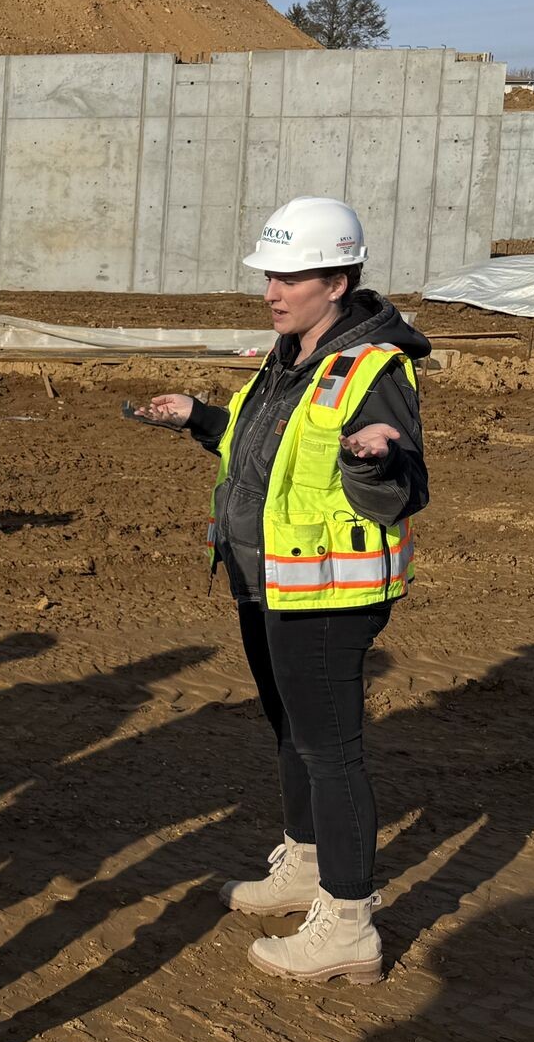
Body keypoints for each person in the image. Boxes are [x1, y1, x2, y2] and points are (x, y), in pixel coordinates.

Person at [129, 196, 428, 984]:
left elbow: (403, 483)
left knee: (332, 753)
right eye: (270, 273)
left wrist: (375, 459)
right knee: (291, 732)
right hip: (270, 581)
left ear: (337, 279)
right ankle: (303, 862)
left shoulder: (373, 369)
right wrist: (200, 417)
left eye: (290, 275)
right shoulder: (292, 353)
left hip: (329, 592)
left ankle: (350, 922)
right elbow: (265, 450)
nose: (272, 288)